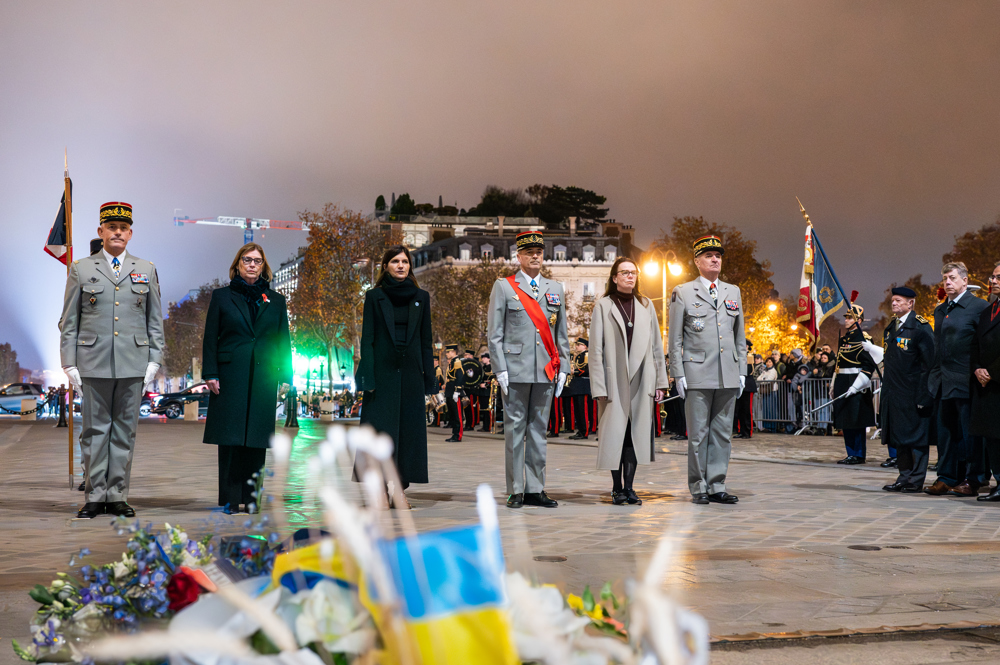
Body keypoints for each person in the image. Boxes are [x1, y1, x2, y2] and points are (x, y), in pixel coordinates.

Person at [60, 201, 164, 519]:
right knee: (94, 431)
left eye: (123, 228)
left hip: (134, 362)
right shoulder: (81, 268)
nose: (117, 233)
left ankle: (117, 495)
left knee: (124, 433)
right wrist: (69, 362)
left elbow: (154, 319)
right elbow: (69, 320)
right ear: (101, 231)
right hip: (93, 362)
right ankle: (94, 495)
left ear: (130, 233)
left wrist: (154, 359)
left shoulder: (146, 269)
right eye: (112, 228)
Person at [202, 243, 291, 514]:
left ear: (264, 266)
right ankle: (230, 499)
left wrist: (286, 375)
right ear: (237, 264)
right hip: (230, 375)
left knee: (256, 440)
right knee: (230, 440)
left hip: (264, 376)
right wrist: (211, 373)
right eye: (247, 260)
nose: (252, 265)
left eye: (257, 261)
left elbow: (282, 340)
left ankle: (253, 499)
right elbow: (210, 338)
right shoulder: (222, 296)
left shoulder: (275, 300)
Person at [487, 230, 570, 508]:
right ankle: (516, 489)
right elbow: (494, 333)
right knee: (514, 431)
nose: (535, 256)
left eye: (539, 251)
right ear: (519, 255)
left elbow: (561, 333)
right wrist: (500, 369)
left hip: (546, 370)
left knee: (538, 431)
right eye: (529, 252)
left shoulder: (555, 288)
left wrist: (565, 368)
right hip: (516, 369)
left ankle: (536, 488)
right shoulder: (504, 287)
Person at [354, 245, 437, 506]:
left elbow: (426, 341)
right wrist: (366, 376)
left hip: (411, 374)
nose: (401, 265)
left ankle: (400, 490)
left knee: (408, 434)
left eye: (405, 261)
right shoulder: (373, 297)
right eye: (395, 261)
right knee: (379, 432)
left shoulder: (422, 297)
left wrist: (430, 380)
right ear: (385, 266)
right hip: (382, 375)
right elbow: (367, 340)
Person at [668, 234, 746, 505]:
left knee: (722, 434)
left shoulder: (732, 291)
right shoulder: (684, 291)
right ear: (697, 261)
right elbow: (675, 338)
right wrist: (677, 373)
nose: (715, 259)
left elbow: (739, 337)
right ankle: (698, 485)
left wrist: (742, 370)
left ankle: (717, 484)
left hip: (727, 373)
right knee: (698, 434)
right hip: (697, 373)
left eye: (718, 256)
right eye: (709, 256)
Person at [590, 258, 668, 505]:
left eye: (633, 273)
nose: (629, 277)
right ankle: (616, 488)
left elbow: (657, 346)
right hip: (614, 381)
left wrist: (660, 383)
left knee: (635, 435)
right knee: (616, 435)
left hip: (642, 379)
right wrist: (599, 386)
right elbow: (595, 350)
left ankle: (631, 487)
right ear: (614, 278)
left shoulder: (645, 305)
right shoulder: (603, 305)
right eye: (624, 273)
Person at [926, 262, 990, 496]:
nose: (947, 282)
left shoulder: (979, 307)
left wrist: (980, 368)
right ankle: (946, 477)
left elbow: (984, 343)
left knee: (970, 433)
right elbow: (937, 345)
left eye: (952, 278)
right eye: (945, 278)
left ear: (965, 280)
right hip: (943, 381)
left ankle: (974, 479)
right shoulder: (941, 310)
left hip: (967, 380)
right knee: (946, 433)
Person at [880, 286, 935, 493]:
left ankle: (916, 479)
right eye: (893, 300)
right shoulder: (891, 327)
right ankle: (904, 476)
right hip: (894, 393)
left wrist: (924, 394)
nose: (894, 303)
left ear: (910, 303)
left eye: (899, 300)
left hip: (913, 393)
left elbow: (928, 364)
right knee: (899, 437)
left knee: (916, 438)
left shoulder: (920, 328)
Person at [832, 304, 879, 465]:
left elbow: (868, 366)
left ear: (858, 320)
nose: (846, 320)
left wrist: (857, 385)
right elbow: (838, 365)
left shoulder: (864, 338)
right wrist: (833, 384)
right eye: (846, 317)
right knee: (846, 420)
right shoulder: (845, 338)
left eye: (850, 317)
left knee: (856, 420)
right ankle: (850, 452)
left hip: (857, 383)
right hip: (843, 382)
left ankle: (859, 454)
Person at [973, 261, 1000, 501]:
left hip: (998, 380)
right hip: (987, 385)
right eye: (993, 277)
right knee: (992, 436)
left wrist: (992, 370)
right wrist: (977, 368)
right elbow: (975, 345)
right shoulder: (987, 311)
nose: (993, 281)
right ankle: (999, 481)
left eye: (998, 277)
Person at [566, 338, 592, 440]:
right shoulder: (578, 356)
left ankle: (584, 431)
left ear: (585, 346)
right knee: (577, 409)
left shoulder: (587, 355)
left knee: (582, 410)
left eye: (579, 345)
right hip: (577, 385)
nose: (576, 346)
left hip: (583, 384)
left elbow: (587, 369)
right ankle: (580, 430)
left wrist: (575, 372)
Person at [734, 340, 756, 438]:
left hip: (747, 385)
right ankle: (741, 430)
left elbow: (748, 370)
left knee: (747, 410)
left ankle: (747, 431)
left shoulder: (749, 356)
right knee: (739, 409)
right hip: (739, 385)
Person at [443, 344, 465, 442]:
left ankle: (458, 435)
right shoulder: (452, 362)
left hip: (454, 390)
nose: (447, 354)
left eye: (448, 352)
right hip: (450, 390)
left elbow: (460, 378)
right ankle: (454, 434)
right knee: (452, 414)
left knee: (457, 415)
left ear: (453, 352)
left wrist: (457, 391)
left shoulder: (457, 362)